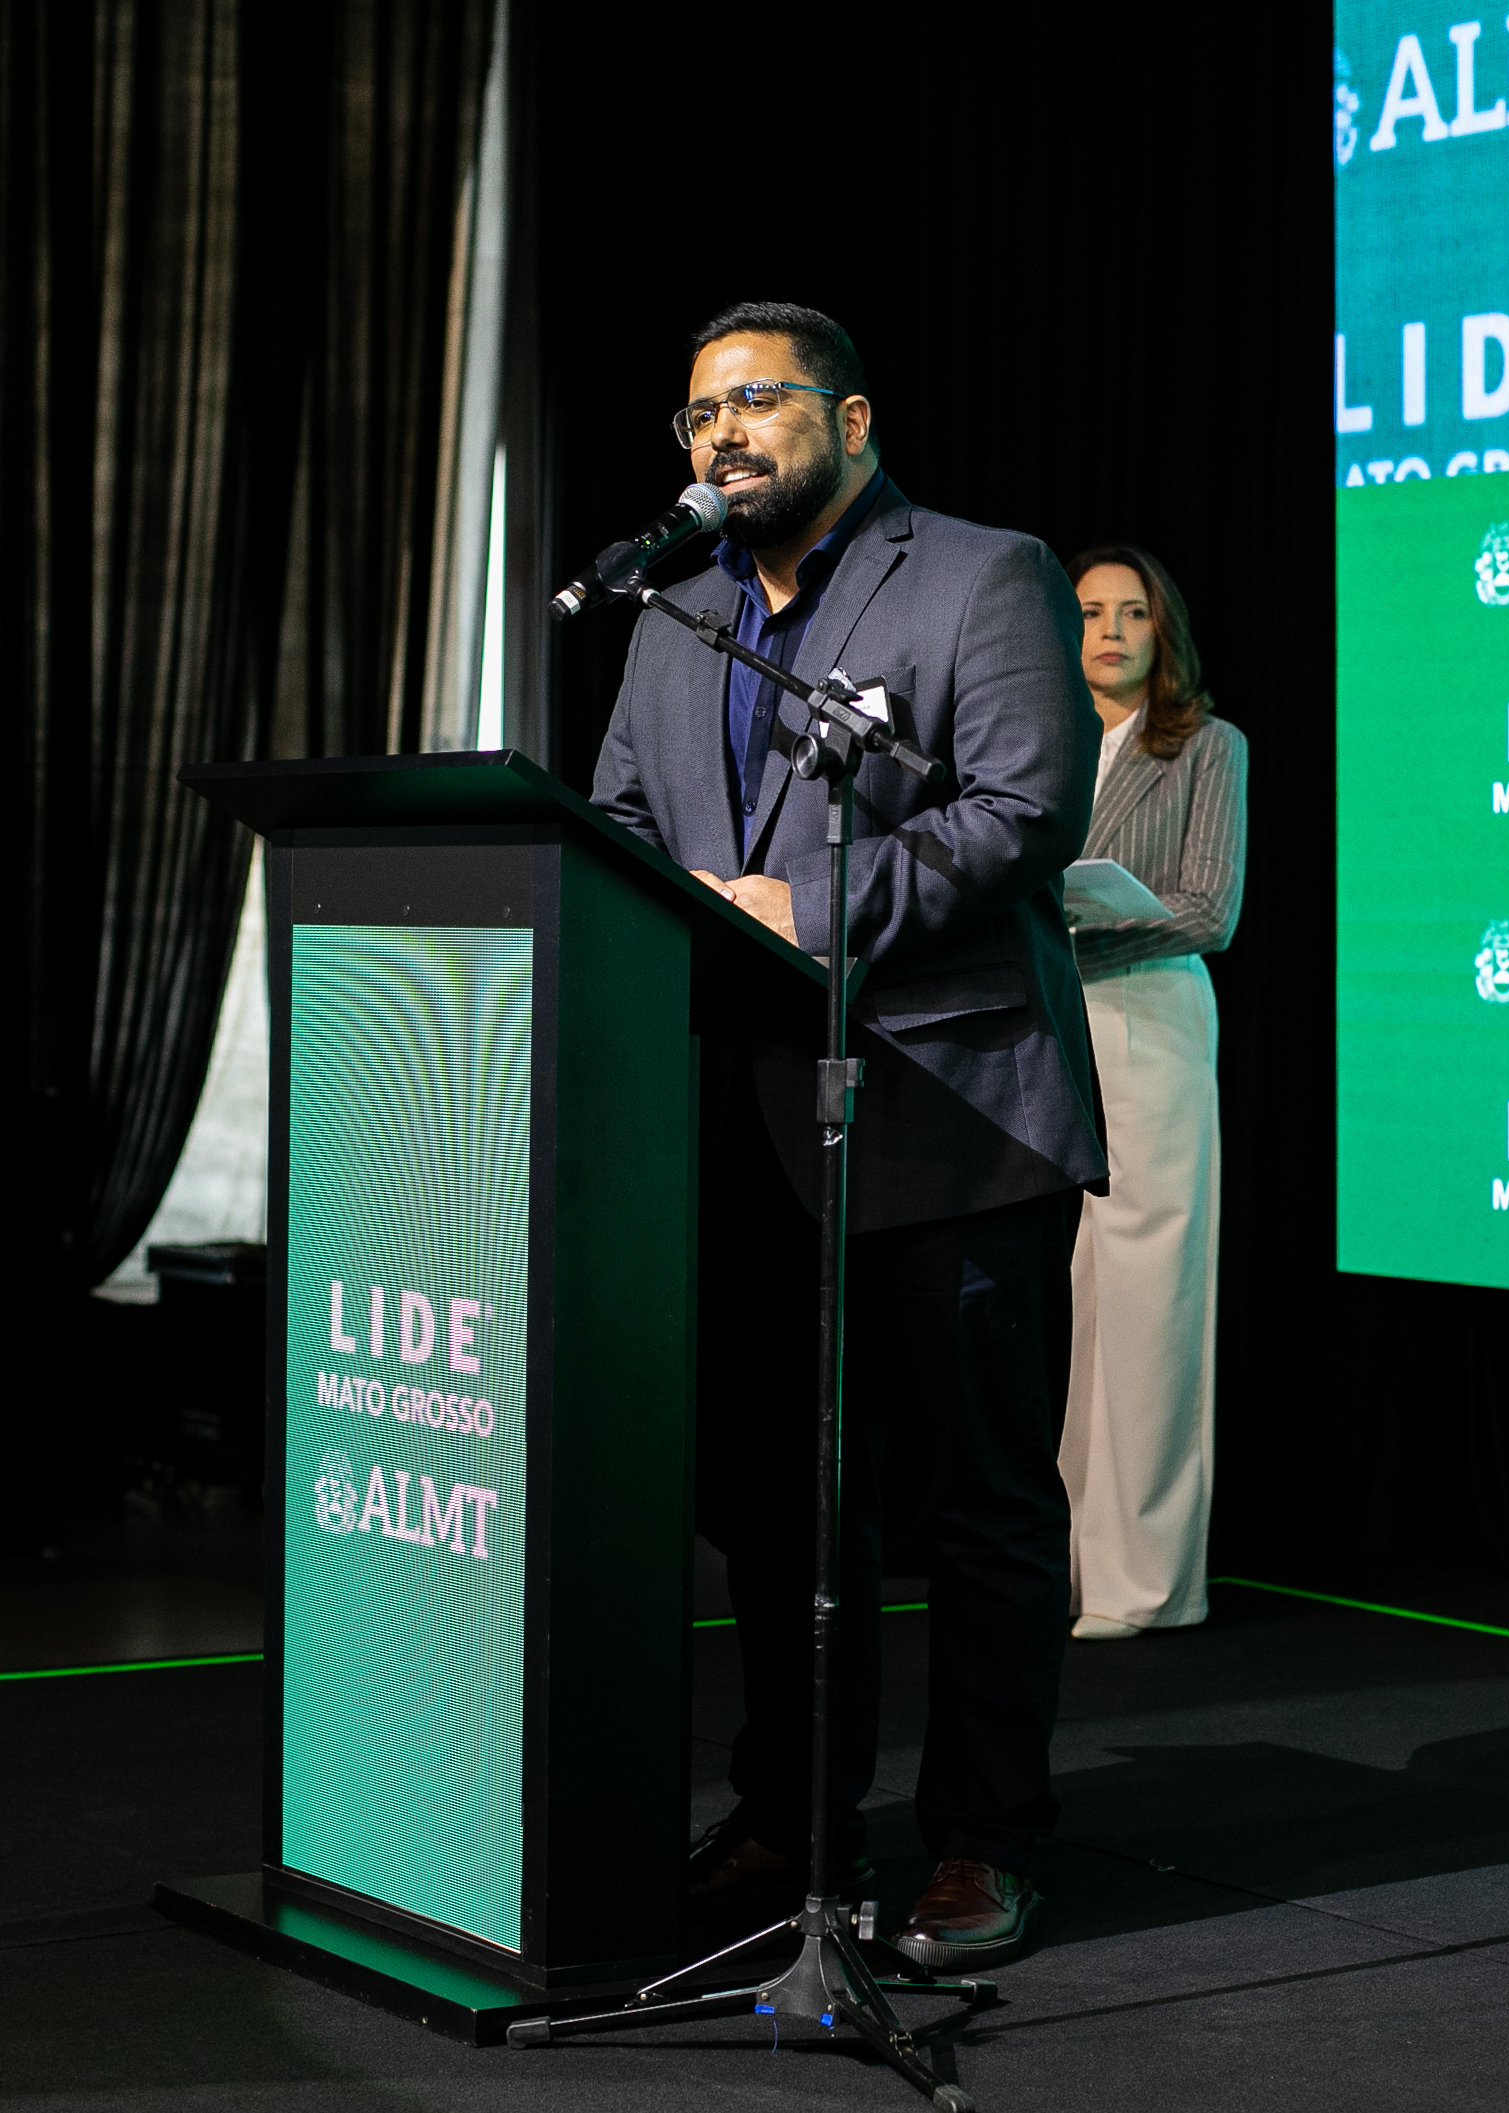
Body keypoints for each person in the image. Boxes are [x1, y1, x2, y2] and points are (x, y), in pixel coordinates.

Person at [590, 300, 1104, 1970]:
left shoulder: (979, 573)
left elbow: (1024, 812)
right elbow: (616, 826)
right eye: (698, 414)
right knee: (781, 1511)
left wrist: (798, 906)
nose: (723, 433)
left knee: (979, 1506)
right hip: (751, 1126)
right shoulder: (675, 610)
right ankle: (790, 1819)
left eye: (756, 400)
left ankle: (982, 1837)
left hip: (953, 1114)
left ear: (853, 418)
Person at [1059, 547, 1246, 1640]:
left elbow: (1209, 909)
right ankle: (1061, 1565)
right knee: (1066, 1303)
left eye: (1132, 613)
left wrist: (1077, 923)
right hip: (1053, 1021)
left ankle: (1144, 1580)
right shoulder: (1039, 742)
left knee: (1146, 1306)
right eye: (1091, 612)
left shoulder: (1207, 746)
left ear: (1161, 631)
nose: (1111, 631)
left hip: (1150, 1018)